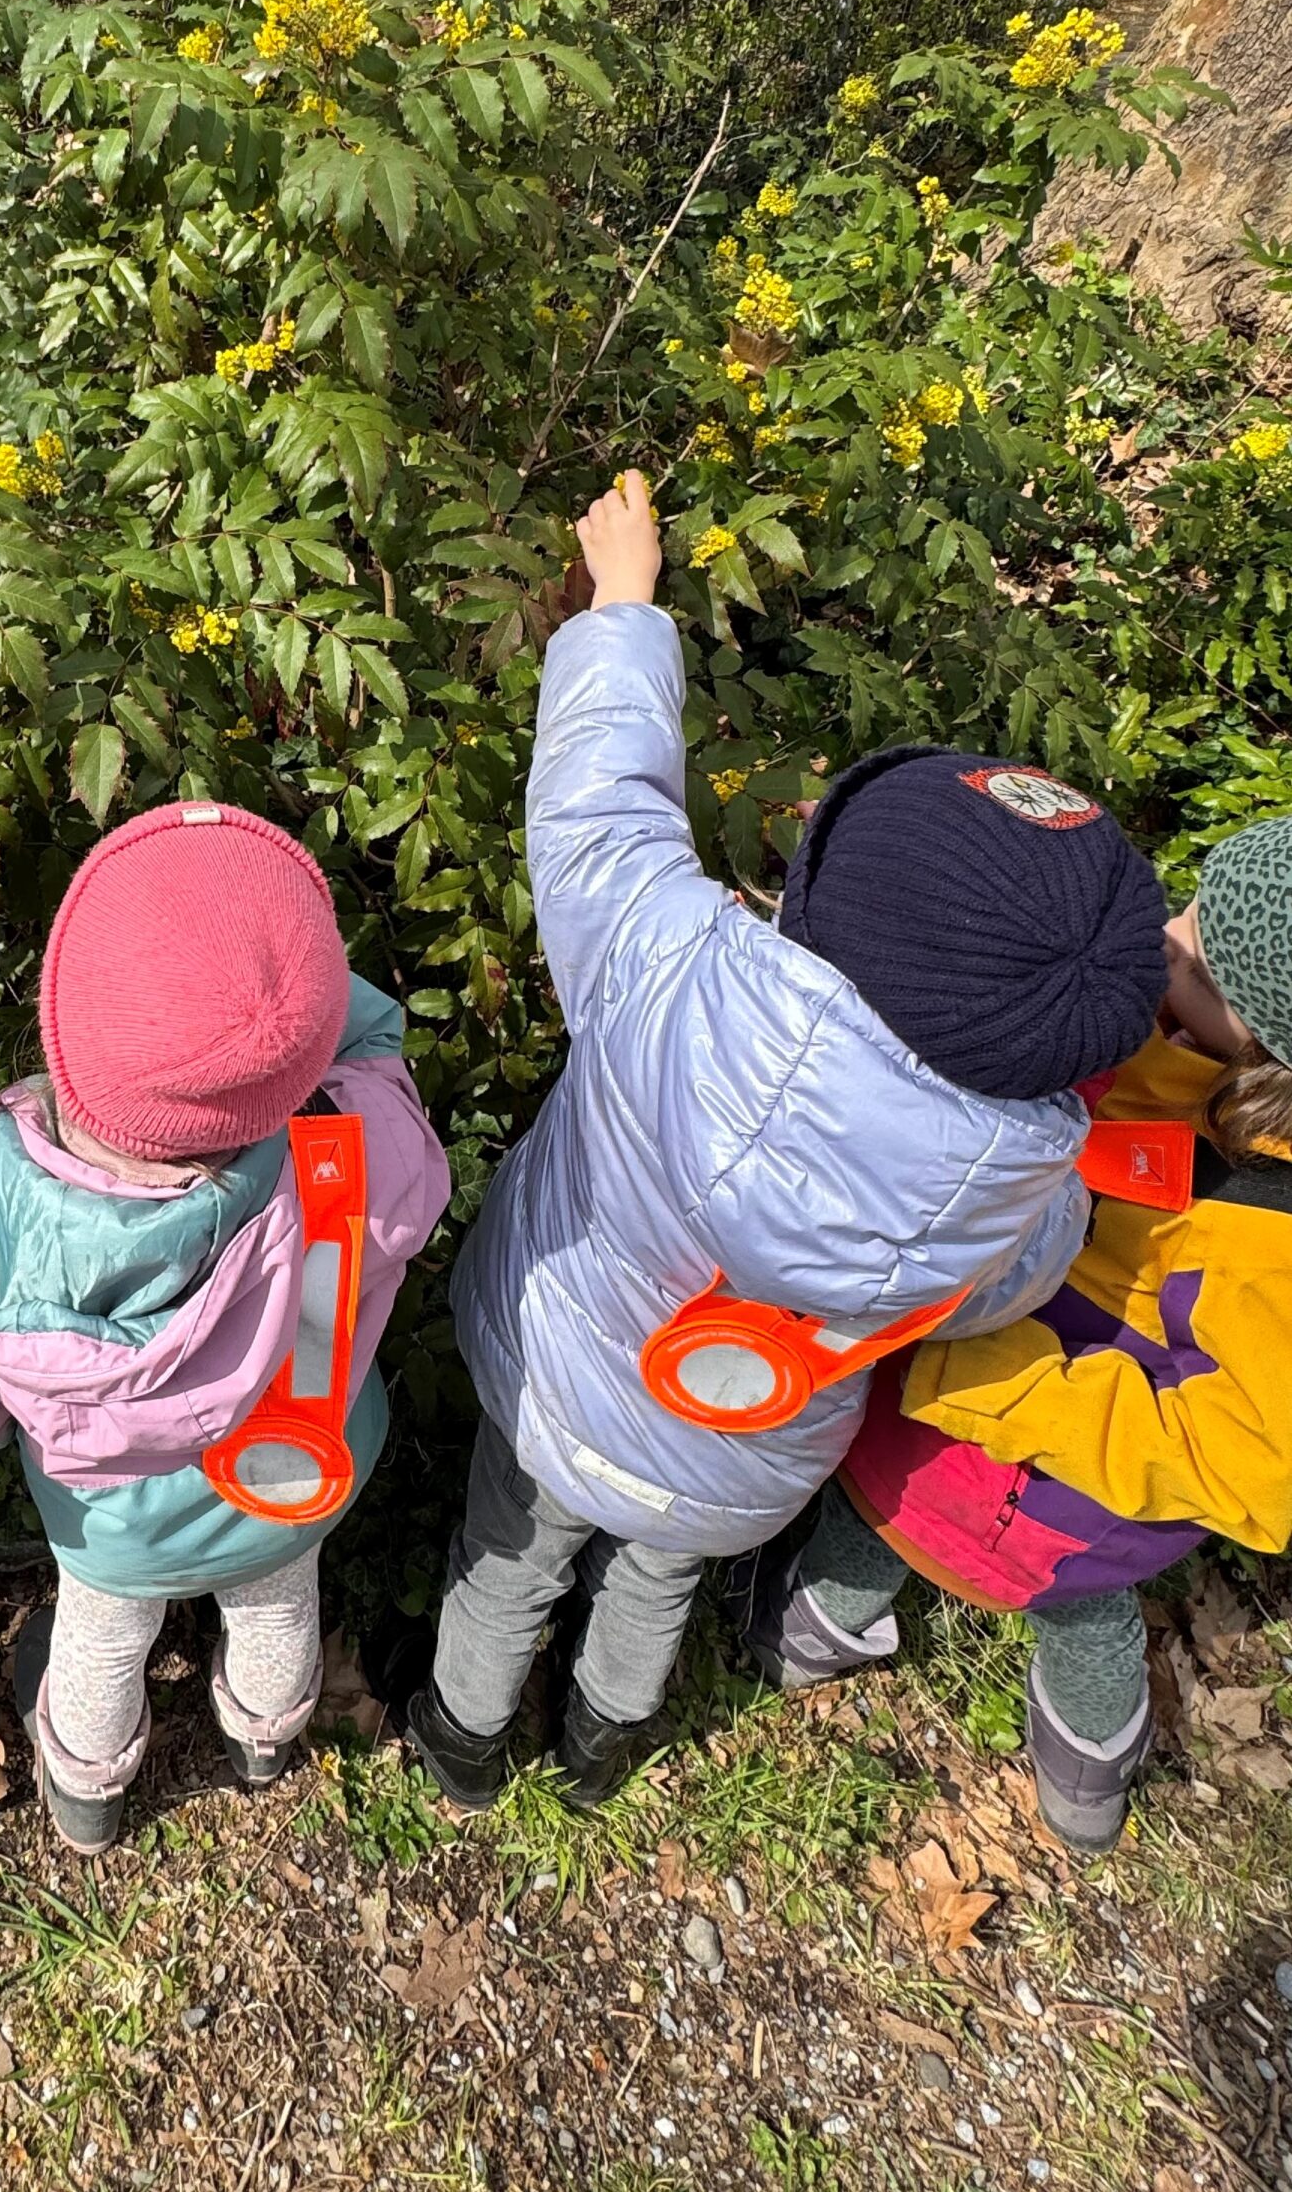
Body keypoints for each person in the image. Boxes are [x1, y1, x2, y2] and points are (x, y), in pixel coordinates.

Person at [393, 470, 1168, 1811]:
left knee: (510, 1546)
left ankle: (463, 1741)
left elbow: (597, 812)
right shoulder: (1020, 1188)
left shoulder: (671, 981)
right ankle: (600, 1745)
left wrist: (625, 609)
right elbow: (1018, 1280)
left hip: (558, 1387)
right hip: (744, 1461)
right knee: (658, 1572)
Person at [0, 800, 452, 1854]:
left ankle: (90, 1799)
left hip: (112, 1525)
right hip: (294, 1473)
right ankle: (261, 1743)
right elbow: (376, 1054)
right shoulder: (351, 1150)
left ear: (63, 1027)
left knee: (102, 1637)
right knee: (281, 1605)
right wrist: (287, 1014)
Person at [749, 811, 1292, 1849]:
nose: (1168, 939)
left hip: (1055, 1502)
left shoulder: (1264, 1237)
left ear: (1269, 1065)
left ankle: (1086, 1776)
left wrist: (1000, 1381)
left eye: (1209, 972)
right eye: (1192, 906)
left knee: (1064, 1601)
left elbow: (1261, 1470)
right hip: (942, 1414)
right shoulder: (1150, 1020)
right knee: (876, 1522)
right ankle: (809, 1641)